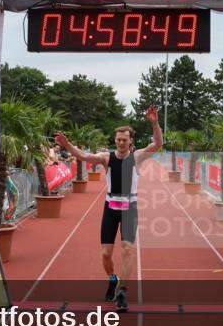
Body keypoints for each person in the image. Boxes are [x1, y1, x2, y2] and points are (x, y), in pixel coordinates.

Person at [55, 105, 163, 312]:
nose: (121, 142)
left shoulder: (138, 157)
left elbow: (158, 143)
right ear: (115, 140)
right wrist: (67, 144)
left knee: (127, 249)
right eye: (118, 139)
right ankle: (112, 278)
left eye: (125, 139)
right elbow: (83, 156)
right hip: (111, 208)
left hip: (130, 208)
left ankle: (122, 291)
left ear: (131, 140)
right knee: (105, 254)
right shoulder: (107, 158)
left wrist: (155, 123)